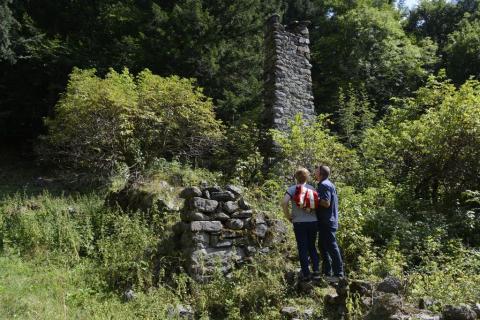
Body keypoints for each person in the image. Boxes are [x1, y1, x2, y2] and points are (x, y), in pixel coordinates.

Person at [281, 167, 320, 281]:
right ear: (307, 177)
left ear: (296, 178)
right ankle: (316, 271)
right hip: (313, 222)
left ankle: (306, 274)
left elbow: (284, 203)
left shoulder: (292, 189)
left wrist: (288, 216)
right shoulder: (312, 188)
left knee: (302, 247)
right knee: (312, 246)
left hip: (299, 223)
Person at [315, 165, 344, 281]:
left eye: (317, 170)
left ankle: (338, 274)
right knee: (322, 246)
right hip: (328, 220)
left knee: (331, 246)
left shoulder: (324, 185)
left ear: (321, 173)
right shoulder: (330, 184)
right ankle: (327, 272)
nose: (315, 172)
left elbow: (326, 203)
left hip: (327, 221)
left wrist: (313, 198)